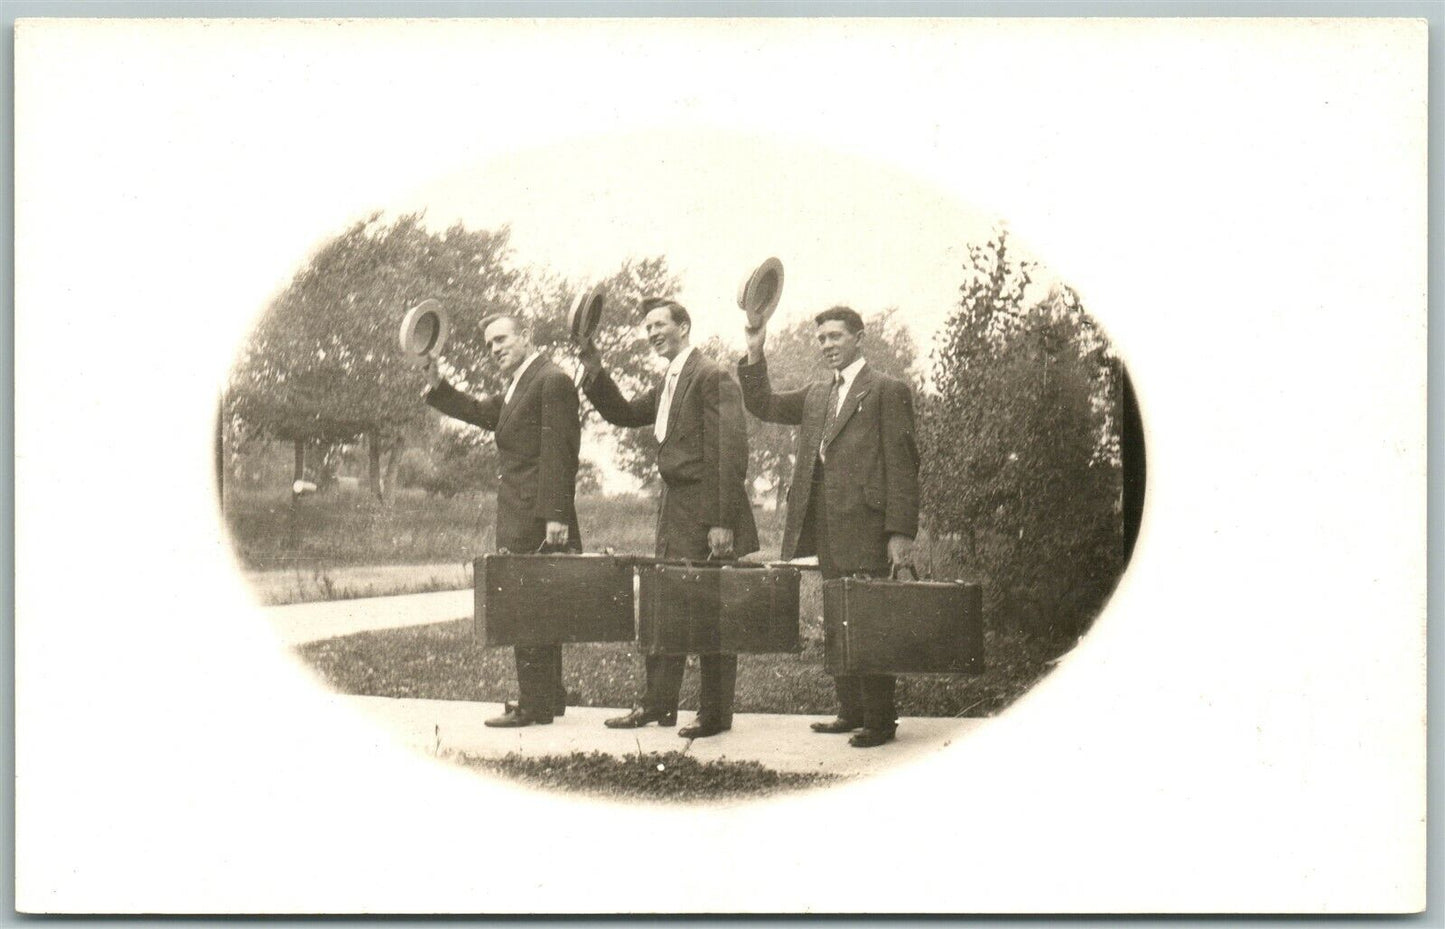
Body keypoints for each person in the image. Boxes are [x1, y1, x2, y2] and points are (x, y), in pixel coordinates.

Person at [737, 306, 919, 748]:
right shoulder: (817, 394)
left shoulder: (886, 390)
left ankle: (879, 720)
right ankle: (849, 711)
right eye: (821, 339)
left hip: (871, 529)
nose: (827, 345)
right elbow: (762, 404)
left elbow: (903, 464)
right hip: (826, 530)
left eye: (836, 336)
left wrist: (900, 532)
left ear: (859, 338)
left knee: (870, 622)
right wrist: (755, 350)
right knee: (839, 621)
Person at [578, 297, 759, 739]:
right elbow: (621, 413)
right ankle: (657, 705)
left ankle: (714, 714)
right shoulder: (671, 381)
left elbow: (729, 452)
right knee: (665, 605)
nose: (652, 333)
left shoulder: (712, 375)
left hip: (707, 513)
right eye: (648, 328)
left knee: (711, 612)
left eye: (660, 325)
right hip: (675, 509)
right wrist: (593, 366)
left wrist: (720, 522)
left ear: (684, 326)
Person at [421, 314, 582, 728]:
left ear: (527, 336)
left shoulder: (552, 381)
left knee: (527, 606)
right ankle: (550, 696)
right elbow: (477, 411)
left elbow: (559, 452)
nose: (495, 349)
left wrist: (556, 516)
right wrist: (437, 381)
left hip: (538, 517)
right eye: (489, 343)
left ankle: (534, 704)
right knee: (540, 606)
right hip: (525, 514)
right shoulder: (519, 386)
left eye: (502, 339)